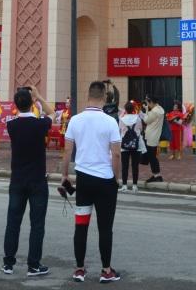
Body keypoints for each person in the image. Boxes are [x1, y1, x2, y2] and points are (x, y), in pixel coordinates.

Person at [63, 80, 122, 284]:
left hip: (83, 180)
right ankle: (106, 271)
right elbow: (116, 154)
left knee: (81, 226)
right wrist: (116, 178)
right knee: (105, 227)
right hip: (105, 181)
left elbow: (67, 151)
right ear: (104, 97)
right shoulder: (110, 121)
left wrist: (64, 175)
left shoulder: (75, 120)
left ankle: (79, 269)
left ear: (88, 95)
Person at [2, 86, 52, 277]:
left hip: (17, 180)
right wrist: (39, 96)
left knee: (13, 222)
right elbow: (52, 113)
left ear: (15, 105)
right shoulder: (40, 124)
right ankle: (33, 265)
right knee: (37, 224)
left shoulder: (11, 126)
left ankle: (8, 264)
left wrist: (32, 99)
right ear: (32, 103)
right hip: (37, 180)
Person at [118, 101, 143, 193]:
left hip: (124, 145)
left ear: (126, 109)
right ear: (133, 109)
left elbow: (120, 130)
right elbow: (140, 129)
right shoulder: (138, 118)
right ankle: (134, 186)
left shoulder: (122, 119)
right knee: (135, 166)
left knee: (124, 166)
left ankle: (124, 185)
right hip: (136, 144)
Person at [140, 97, 164, 183]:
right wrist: (147, 109)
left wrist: (143, 112)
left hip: (151, 136)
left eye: (148, 103)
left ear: (152, 102)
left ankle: (157, 175)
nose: (148, 105)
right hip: (155, 135)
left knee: (152, 157)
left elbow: (146, 120)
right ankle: (157, 175)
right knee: (152, 156)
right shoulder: (160, 109)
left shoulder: (154, 111)